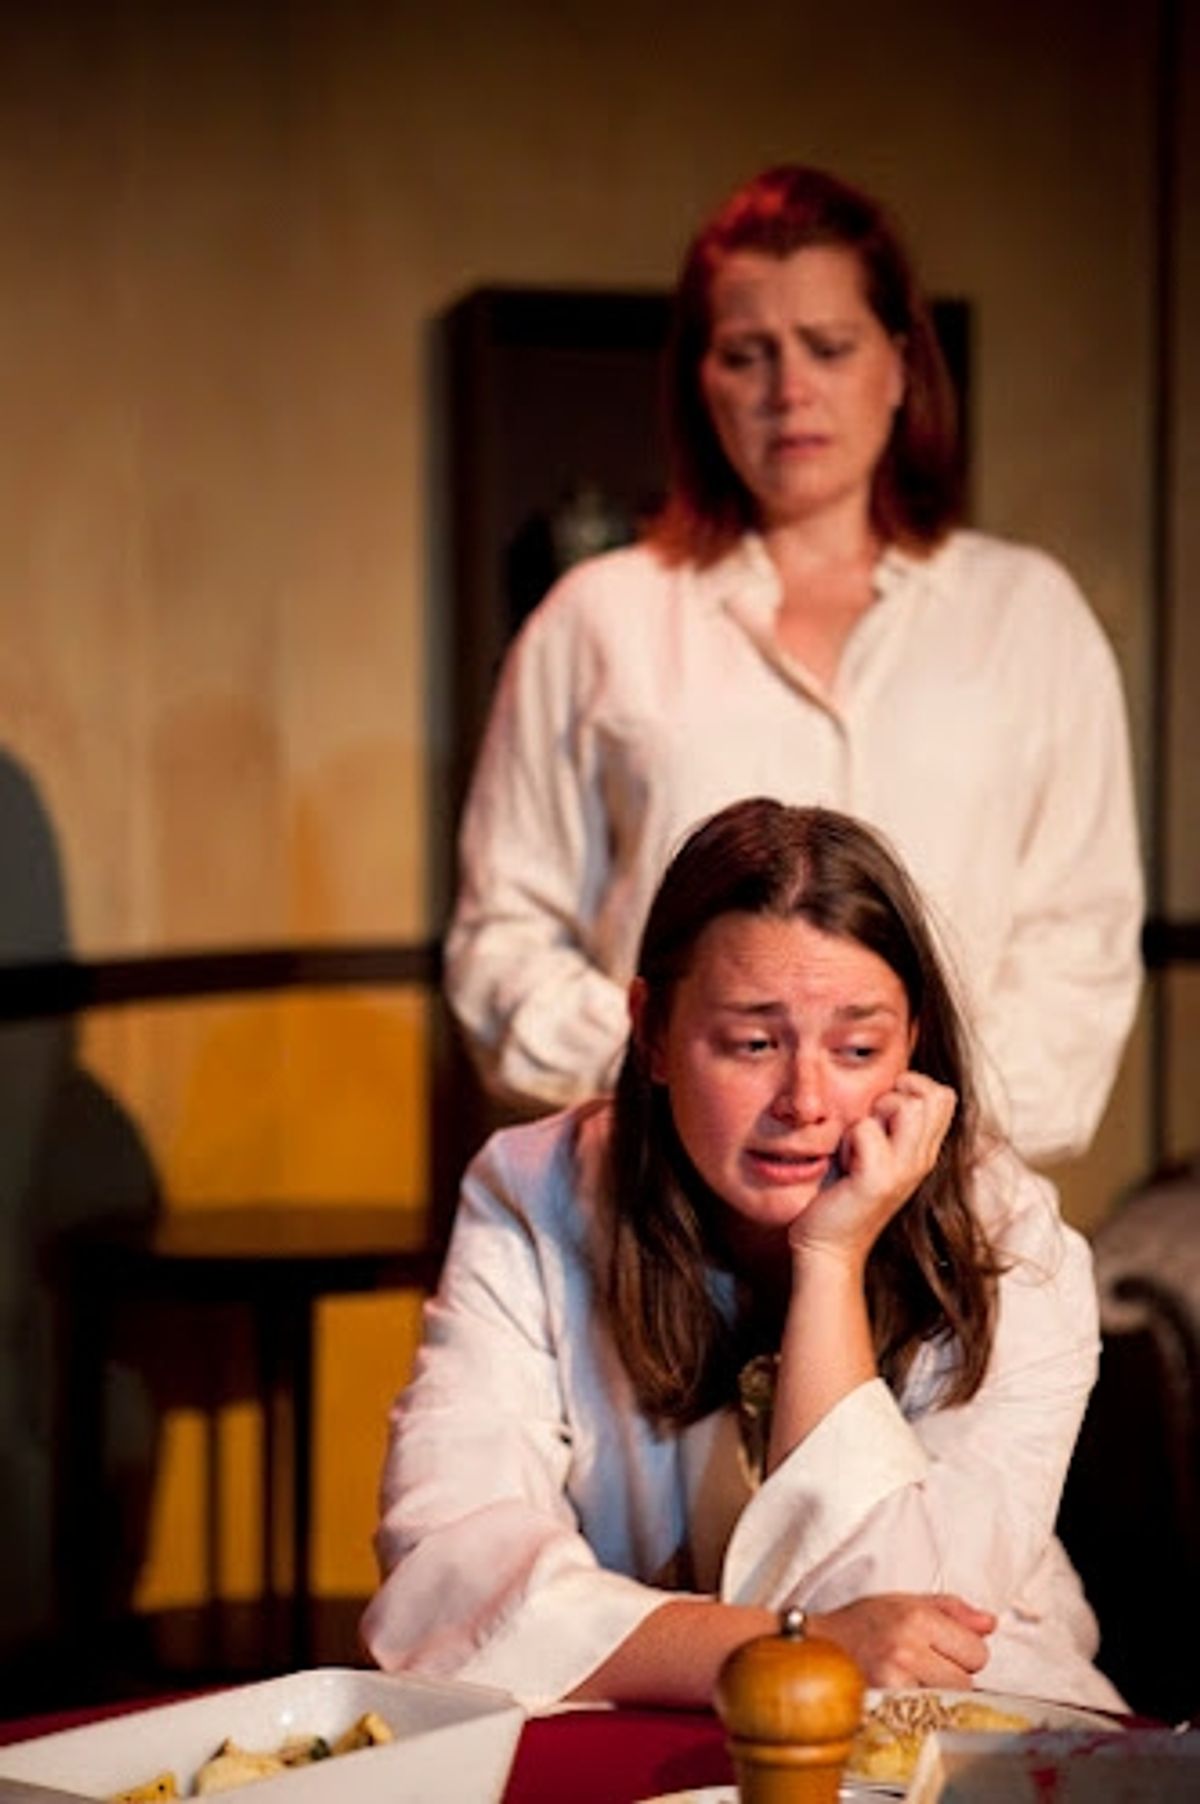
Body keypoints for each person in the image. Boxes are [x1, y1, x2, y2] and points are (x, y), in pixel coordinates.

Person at [444, 163, 1143, 1166]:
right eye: (747, 354)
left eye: (829, 346)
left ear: (899, 363)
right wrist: (702, 1084)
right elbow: (503, 942)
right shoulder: (597, 619)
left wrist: (911, 1125)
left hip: (951, 1205)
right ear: (700, 378)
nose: (791, 391)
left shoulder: (1027, 617)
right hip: (658, 1217)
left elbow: (1081, 941)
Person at [363, 799, 1123, 1713]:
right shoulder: (535, 1193)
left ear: (912, 1043)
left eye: (857, 1048)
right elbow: (447, 1575)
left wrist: (831, 1260)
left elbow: (912, 1644)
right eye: (753, 1043)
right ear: (650, 1032)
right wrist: (790, 1647)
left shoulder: (1010, 1241)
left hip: (981, 1741)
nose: (804, 1100)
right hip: (650, 1723)